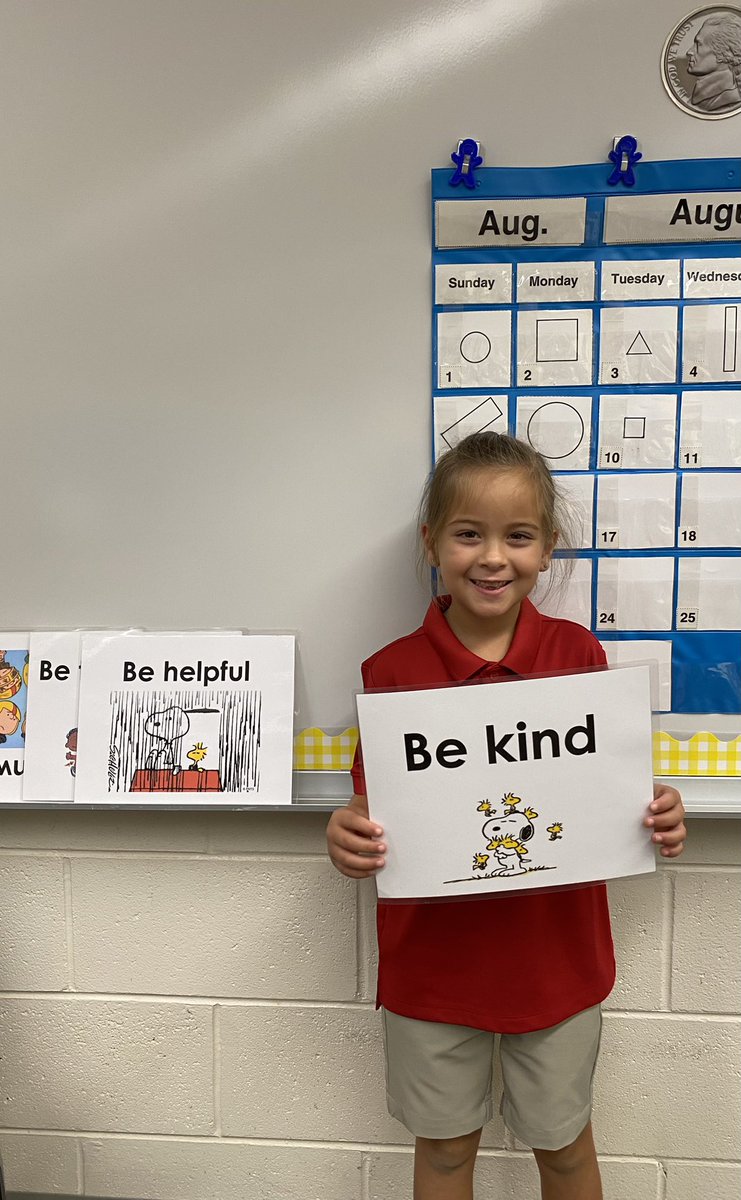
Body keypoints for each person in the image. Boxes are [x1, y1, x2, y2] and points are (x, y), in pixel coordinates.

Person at [327, 432, 686, 1200]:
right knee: (446, 1153)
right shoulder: (390, 673)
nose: (493, 557)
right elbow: (370, 811)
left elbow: (615, 795)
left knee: (562, 1150)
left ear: (547, 548)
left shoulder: (578, 656)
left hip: (554, 964)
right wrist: (345, 836)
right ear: (432, 543)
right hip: (433, 971)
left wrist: (659, 814)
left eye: (517, 536)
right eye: (468, 534)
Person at [686, 12, 741, 113]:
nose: (689, 52)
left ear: (723, 52)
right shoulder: (704, 100)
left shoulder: (726, 103)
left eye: (698, 44)